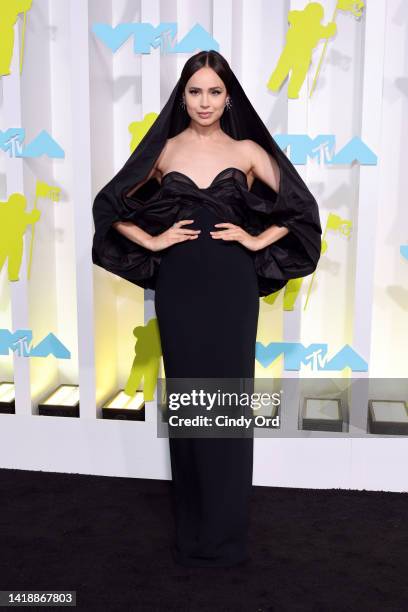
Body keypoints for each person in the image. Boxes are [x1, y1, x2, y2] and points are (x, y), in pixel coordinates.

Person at [92, 50, 322, 568]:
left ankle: (226, 535)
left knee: (228, 404)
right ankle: (192, 531)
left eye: (214, 92)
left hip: (232, 286)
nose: (204, 101)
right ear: (182, 96)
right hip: (179, 286)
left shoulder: (246, 150)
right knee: (190, 405)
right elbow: (109, 206)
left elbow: (302, 209)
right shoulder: (164, 149)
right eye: (195, 91)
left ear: (228, 97)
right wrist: (152, 243)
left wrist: (256, 236)